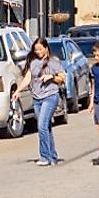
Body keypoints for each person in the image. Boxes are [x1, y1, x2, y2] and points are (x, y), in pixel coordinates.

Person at [26, 37, 68, 166]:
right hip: (37, 98)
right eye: (35, 50)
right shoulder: (33, 63)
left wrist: (52, 77)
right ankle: (52, 156)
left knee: (41, 126)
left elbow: (63, 78)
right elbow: (28, 78)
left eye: (40, 49)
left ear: (46, 48)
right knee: (46, 127)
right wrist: (17, 92)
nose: (38, 52)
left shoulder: (53, 61)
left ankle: (45, 156)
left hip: (50, 96)